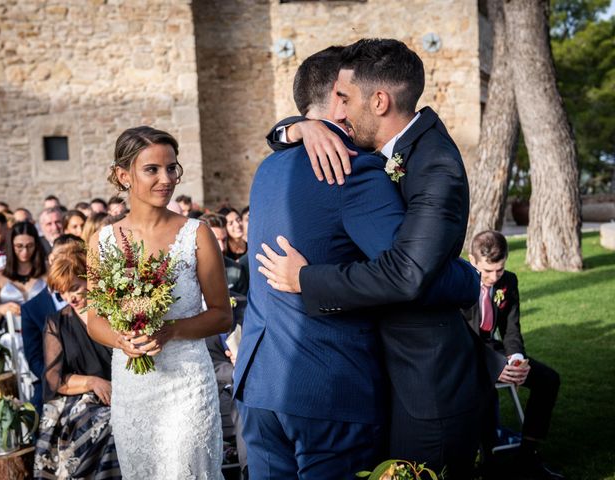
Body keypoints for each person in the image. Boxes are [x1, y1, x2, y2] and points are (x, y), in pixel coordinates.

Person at [234, 45, 480, 479]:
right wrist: (470, 280)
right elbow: (410, 273)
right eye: (342, 99)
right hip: (326, 389)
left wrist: (295, 129)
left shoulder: (267, 169)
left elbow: (407, 270)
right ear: (334, 97)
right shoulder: (349, 168)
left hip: (259, 383)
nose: (345, 112)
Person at [87, 125, 232, 479]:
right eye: (152, 169)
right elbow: (94, 320)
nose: (165, 179)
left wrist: (170, 331)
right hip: (133, 389)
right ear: (124, 176)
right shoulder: (102, 241)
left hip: (187, 385)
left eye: (172, 168)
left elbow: (222, 316)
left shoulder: (196, 234)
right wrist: (121, 339)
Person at [463, 231, 564, 480]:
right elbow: (458, 335)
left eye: (499, 269)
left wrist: (516, 359)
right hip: (464, 351)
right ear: (472, 260)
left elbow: (510, 329)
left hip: (491, 346)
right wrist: (496, 365)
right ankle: (486, 461)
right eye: (487, 271)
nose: (493, 277)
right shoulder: (459, 281)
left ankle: (527, 456)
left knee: (548, 379)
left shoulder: (509, 281)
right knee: (483, 386)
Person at [34, 248, 120, 479]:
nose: (69, 298)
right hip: (83, 401)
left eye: (74, 288)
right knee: (111, 424)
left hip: (128, 390)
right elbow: (55, 381)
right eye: (62, 293)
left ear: (89, 279)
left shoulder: (114, 311)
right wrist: (92, 382)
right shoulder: (57, 323)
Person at [22, 234, 84, 414]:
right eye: (61, 257)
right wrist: (71, 380)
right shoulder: (31, 309)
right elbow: (35, 360)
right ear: (51, 259)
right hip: (60, 382)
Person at [0, 221, 47, 331]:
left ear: (37, 245)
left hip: (45, 334)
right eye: (19, 246)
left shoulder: (48, 270)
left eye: (30, 246)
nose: (25, 251)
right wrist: (1, 309)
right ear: (11, 246)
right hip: (14, 338)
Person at [202, 213, 249, 296]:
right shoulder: (183, 269)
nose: (222, 247)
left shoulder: (236, 271)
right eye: (215, 241)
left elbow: (244, 305)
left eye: (224, 240)